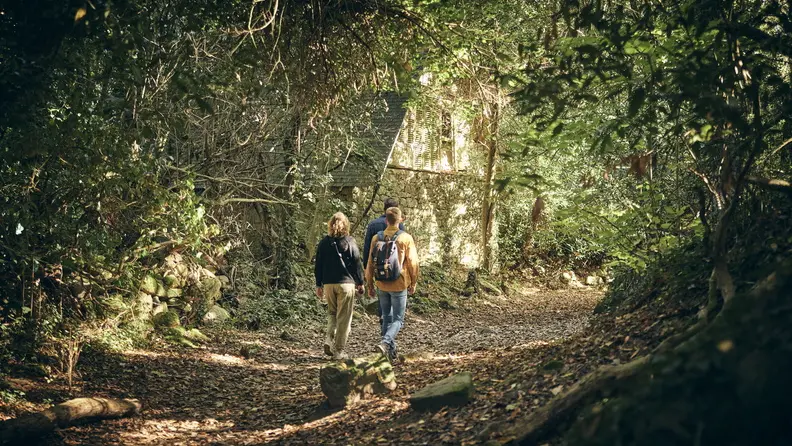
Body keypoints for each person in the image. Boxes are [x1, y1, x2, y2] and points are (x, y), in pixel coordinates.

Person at [365, 207, 419, 363]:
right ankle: (386, 342)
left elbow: (370, 263)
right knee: (398, 320)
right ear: (400, 220)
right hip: (399, 283)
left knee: (386, 317)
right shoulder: (405, 238)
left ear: (386, 220)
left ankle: (390, 351)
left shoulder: (377, 237)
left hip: (381, 283)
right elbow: (413, 263)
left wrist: (370, 284)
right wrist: (413, 282)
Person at [314, 212, 365, 360]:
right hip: (346, 284)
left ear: (330, 224)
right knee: (343, 317)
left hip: (329, 284)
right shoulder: (349, 241)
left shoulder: (324, 243)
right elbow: (356, 263)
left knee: (332, 313)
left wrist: (319, 284)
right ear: (346, 225)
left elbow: (318, 265)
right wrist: (360, 282)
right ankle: (339, 351)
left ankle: (328, 340)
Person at [362, 198, 405, 325]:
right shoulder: (400, 226)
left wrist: (367, 267)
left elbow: (367, 248)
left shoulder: (373, 224)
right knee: (394, 293)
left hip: (378, 266)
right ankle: (390, 323)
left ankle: (383, 316)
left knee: (383, 289)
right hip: (395, 267)